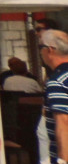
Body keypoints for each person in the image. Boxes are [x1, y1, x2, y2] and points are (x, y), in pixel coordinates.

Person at [38, 29, 68, 164]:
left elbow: (64, 123)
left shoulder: (58, 81)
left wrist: (63, 159)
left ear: (49, 50)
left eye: (40, 47)